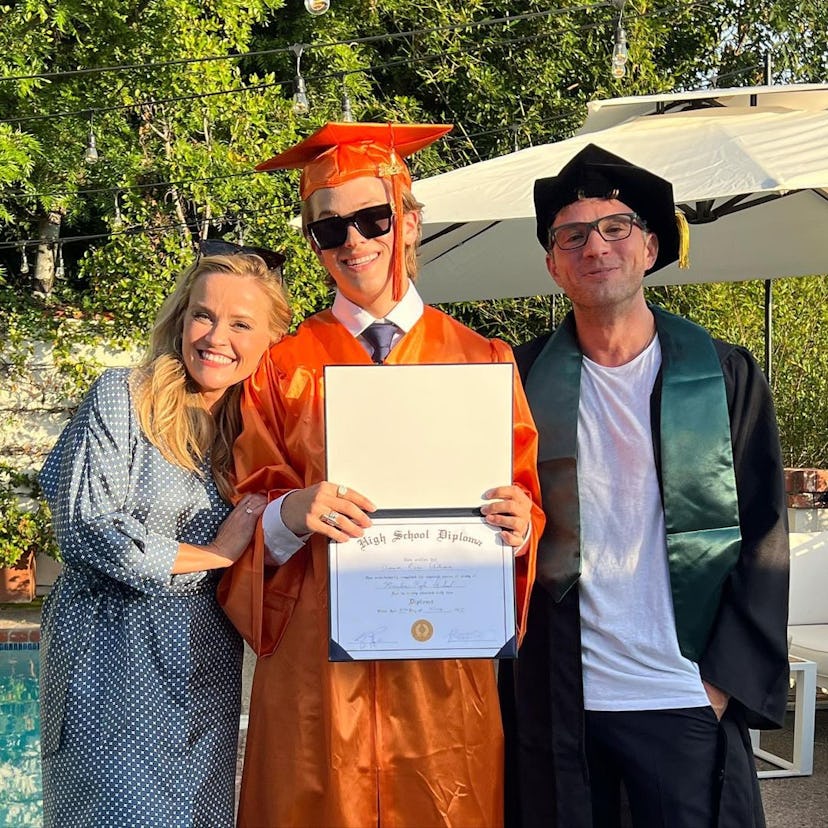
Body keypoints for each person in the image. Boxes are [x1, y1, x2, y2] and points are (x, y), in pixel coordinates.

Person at [218, 121, 545, 828]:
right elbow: (244, 518)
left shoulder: (483, 362)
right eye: (329, 229)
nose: (354, 242)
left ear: (410, 220)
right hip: (317, 677)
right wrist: (286, 513)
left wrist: (521, 527)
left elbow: (526, 511)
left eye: (373, 218)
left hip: (440, 678)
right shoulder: (281, 367)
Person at [502, 144, 790, 828]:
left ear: (651, 245)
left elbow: (763, 533)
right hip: (561, 696)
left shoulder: (720, 375)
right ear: (552, 263)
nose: (594, 247)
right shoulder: (513, 379)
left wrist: (719, 684)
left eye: (615, 228)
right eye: (571, 236)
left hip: (682, 693)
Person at [38, 250, 291, 828]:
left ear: (271, 341)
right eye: (203, 315)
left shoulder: (261, 435)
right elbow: (85, 526)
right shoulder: (122, 398)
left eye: (241, 324)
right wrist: (217, 554)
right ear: (180, 319)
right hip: (107, 667)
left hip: (202, 671)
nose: (216, 337)